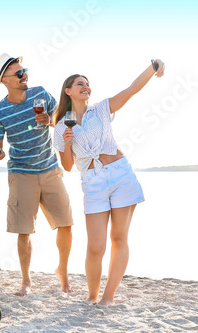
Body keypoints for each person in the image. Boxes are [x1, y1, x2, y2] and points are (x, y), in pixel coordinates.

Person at [53, 59, 165, 305]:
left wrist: (153, 67)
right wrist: (69, 141)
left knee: (119, 238)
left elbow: (131, 90)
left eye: (88, 84)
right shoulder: (61, 126)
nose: (86, 87)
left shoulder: (102, 109)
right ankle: (92, 296)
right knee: (95, 246)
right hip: (92, 182)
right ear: (68, 90)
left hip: (120, 175)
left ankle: (108, 297)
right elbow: (68, 166)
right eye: (80, 83)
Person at [0, 53, 74, 296]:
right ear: (5, 80)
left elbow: (64, 120)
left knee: (66, 223)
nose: (24, 75)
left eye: (24, 70)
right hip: (20, 173)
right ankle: (26, 280)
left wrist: (49, 120)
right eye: (18, 73)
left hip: (50, 169)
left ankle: (63, 271)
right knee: (23, 230)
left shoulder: (41, 94)